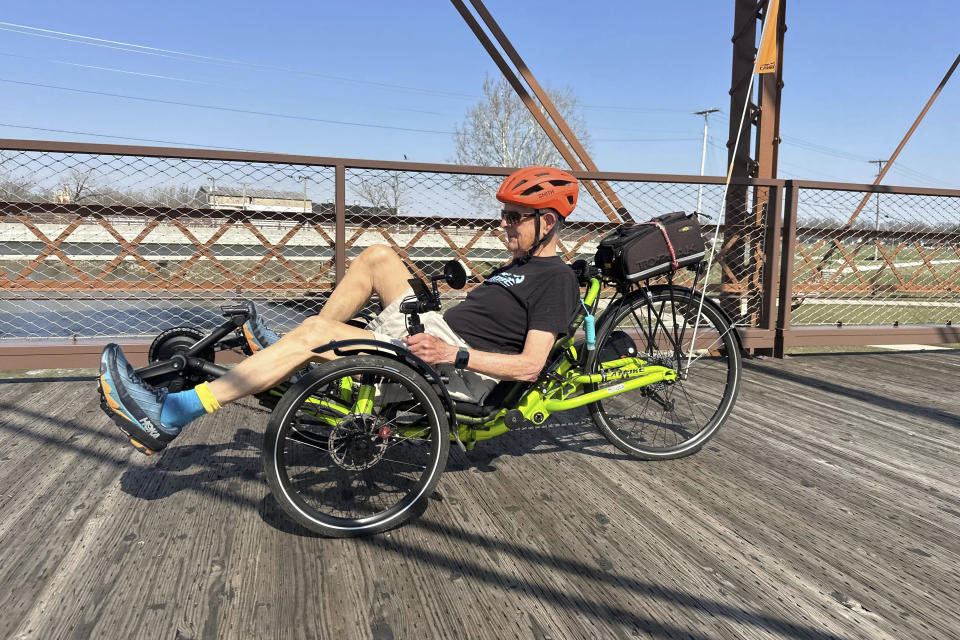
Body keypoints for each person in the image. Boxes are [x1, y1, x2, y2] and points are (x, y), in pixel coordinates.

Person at [99, 166, 582, 455]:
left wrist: (450, 355)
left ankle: (172, 414)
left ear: (548, 222)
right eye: (504, 215)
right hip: (435, 337)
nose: (503, 224)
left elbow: (530, 365)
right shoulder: (516, 265)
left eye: (514, 217)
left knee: (311, 332)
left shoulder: (556, 279)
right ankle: (312, 343)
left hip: (453, 369)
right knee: (375, 255)